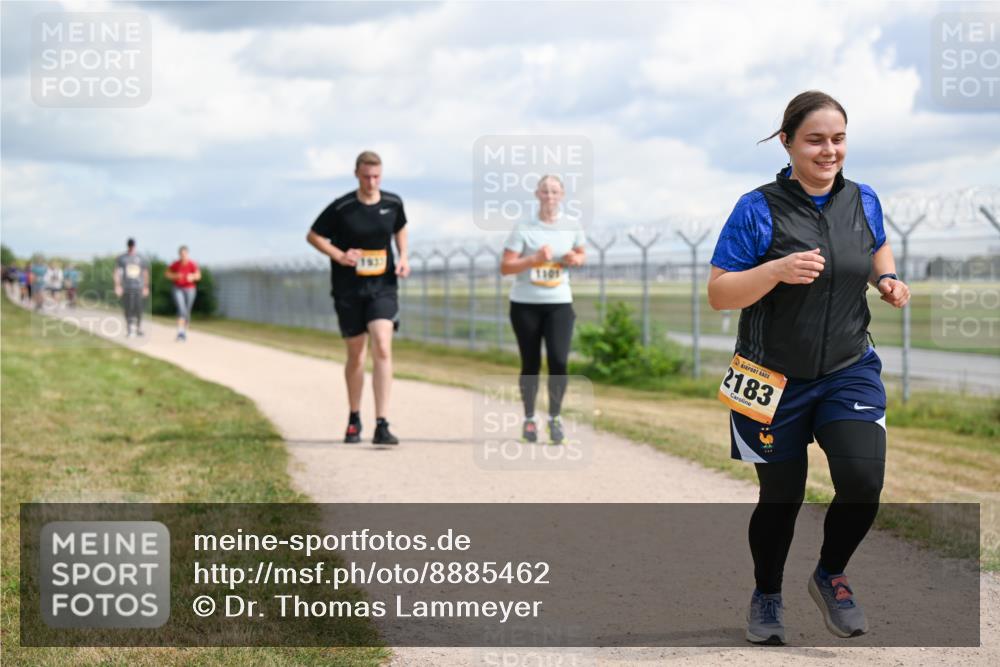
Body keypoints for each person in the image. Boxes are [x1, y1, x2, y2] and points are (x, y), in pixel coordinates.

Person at [707, 91, 910, 646]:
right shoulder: (757, 207)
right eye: (816, 139)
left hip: (849, 366)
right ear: (788, 143)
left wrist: (885, 280)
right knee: (782, 496)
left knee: (863, 482)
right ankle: (767, 593)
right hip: (768, 376)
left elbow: (875, 247)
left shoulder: (864, 199)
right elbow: (720, 294)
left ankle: (831, 573)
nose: (829, 150)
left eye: (838, 139)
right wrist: (775, 269)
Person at [306, 150, 409, 445]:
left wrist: (403, 257)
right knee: (356, 354)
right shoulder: (342, 207)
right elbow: (313, 236)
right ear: (356, 174)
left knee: (383, 345)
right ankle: (354, 417)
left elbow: (401, 227)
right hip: (349, 289)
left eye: (376, 176)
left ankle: (382, 423)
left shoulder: (393, 203)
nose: (371, 181)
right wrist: (339, 255)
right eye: (366, 176)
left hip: (383, 286)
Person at [500, 175, 586, 445]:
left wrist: (575, 258)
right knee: (531, 363)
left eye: (555, 191)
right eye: (545, 191)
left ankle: (555, 418)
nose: (550, 196)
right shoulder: (524, 227)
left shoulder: (571, 225)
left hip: (559, 302)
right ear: (537, 194)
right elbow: (506, 267)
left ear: (562, 195)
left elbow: (582, 253)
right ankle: (529, 419)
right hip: (525, 304)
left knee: (559, 361)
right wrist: (534, 259)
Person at [114, 238, 150, 337]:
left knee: (138, 308)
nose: (131, 247)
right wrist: (117, 286)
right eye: (130, 245)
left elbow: (145, 273)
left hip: (139, 286)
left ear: (135, 246)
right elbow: (117, 272)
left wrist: (146, 287)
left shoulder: (141, 258)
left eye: (132, 245)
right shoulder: (122, 258)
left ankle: (138, 328)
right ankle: (130, 328)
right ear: (128, 246)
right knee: (128, 308)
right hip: (126, 286)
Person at [165, 245, 201, 341]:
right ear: (179, 254)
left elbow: (198, 276)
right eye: (181, 254)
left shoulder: (192, 264)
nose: (183, 256)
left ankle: (184, 332)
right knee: (181, 309)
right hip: (178, 288)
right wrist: (175, 276)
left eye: (185, 254)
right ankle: (180, 332)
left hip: (190, 289)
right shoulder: (175, 264)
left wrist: (192, 276)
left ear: (187, 254)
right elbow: (167, 274)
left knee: (187, 311)